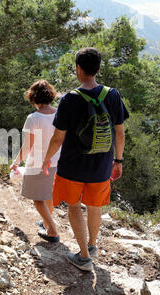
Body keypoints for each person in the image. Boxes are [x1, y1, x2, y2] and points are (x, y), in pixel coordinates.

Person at [42, 47, 129, 271]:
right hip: (101, 165)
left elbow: (57, 138)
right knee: (94, 206)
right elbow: (120, 133)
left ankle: (83, 257)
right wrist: (118, 161)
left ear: (78, 69)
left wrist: (46, 159)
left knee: (74, 206)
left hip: (72, 166)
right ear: (98, 68)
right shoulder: (112, 95)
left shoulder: (69, 99)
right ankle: (91, 246)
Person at [10, 80, 61, 243]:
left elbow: (27, 146)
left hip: (38, 163)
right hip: (56, 161)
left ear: (33, 98)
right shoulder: (59, 113)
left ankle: (52, 230)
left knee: (37, 198)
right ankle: (46, 222)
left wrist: (16, 162)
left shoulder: (33, 118)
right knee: (48, 194)